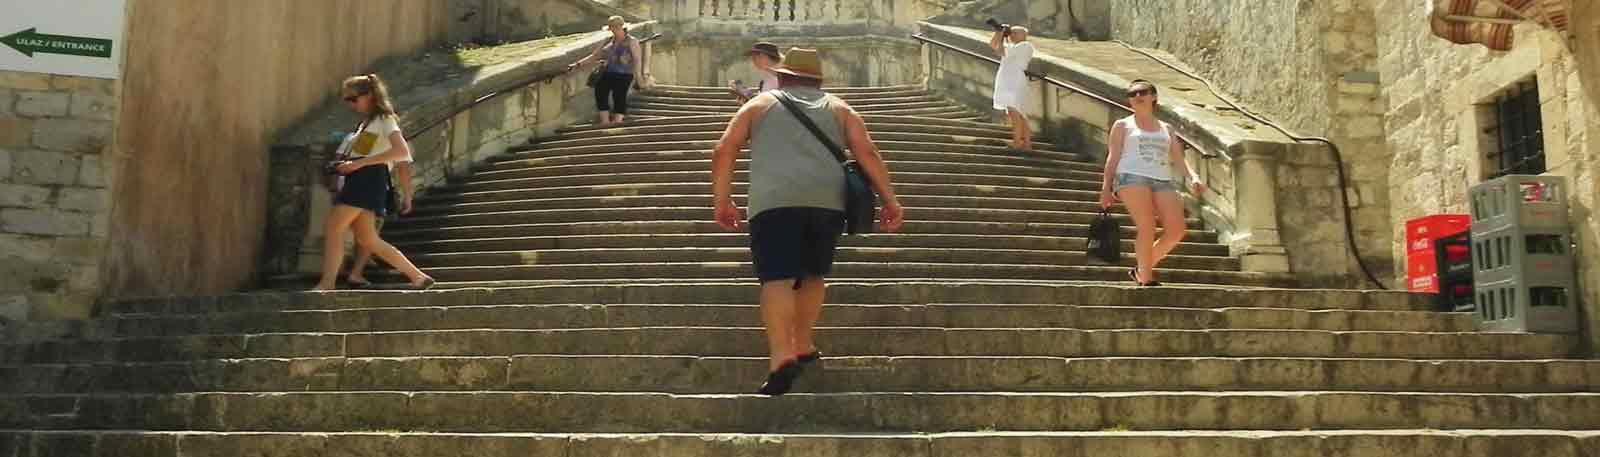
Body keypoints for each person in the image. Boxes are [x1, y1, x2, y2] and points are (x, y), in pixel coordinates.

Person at [711, 48, 905, 396]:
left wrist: (722, 201)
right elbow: (868, 153)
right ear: (817, 80)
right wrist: (890, 200)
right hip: (826, 202)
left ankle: (781, 357)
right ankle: (802, 342)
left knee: (777, 277)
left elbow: (724, 148)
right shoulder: (840, 107)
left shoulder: (759, 104)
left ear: (783, 77)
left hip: (773, 201)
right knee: (814, 273)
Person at [315, 74, 435, 291]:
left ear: (369, 95)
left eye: (353, 98)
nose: (350, 104)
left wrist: (359, 165)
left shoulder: (384, 119)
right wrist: (349, 165)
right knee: (367, 238)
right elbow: (367, 153)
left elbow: (401, 152)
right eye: (347, 100)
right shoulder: (367, 123)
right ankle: (417, 276)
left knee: (334, 228)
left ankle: (327, 284)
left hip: (368, 178)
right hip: (364, 177)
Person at [1098, 79, 1207, 286]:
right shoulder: (1122, 125)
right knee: (1147, 225)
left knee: (1176, 230)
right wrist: (1106, 188)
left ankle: (1142, 268)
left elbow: (1177, 157)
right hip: (1131, 176)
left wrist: (1193, 176)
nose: (1137, 97)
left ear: (1154, 97)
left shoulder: (1166, 128)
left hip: (1162, 178)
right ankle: (1146, 278)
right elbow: (1112, 157)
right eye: (1132, 94)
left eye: (1143, 92)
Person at [567, 16, 649, 126]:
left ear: (621, 27)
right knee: (600, 91)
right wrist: (577, 64)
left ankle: (617, 121)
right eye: (611, 28)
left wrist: (638, 78)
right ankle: (605, 121)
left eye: (615, 28)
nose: (613, 31)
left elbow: (637, 60)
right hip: (608, 71)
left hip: (624, 74)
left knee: (619, 95)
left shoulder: (632, 41)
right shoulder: (609, 41)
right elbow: (595, 56)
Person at [344, 160, 414, 288]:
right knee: (370, 235)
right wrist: (407, 197)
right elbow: (403, 168)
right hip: (370, 190)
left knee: (358, 233)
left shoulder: (351, 139)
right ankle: (356, 272)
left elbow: (339, 157)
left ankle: (344, 271)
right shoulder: (390, 141)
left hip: (347, 190)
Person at [989, 24, 1035, 152]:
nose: (1012, 35)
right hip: (1007, 80)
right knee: (1018, 113)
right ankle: (1027, 144)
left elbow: (1000, 51)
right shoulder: (1013, 46)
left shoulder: (1026, 46)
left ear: (1024, 35)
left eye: (1015, 33)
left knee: (1015, 112)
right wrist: (999, 33)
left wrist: (1002, 37)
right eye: (1011, 32)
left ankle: (1017, 142)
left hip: (1014, 80)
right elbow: (993, 45)